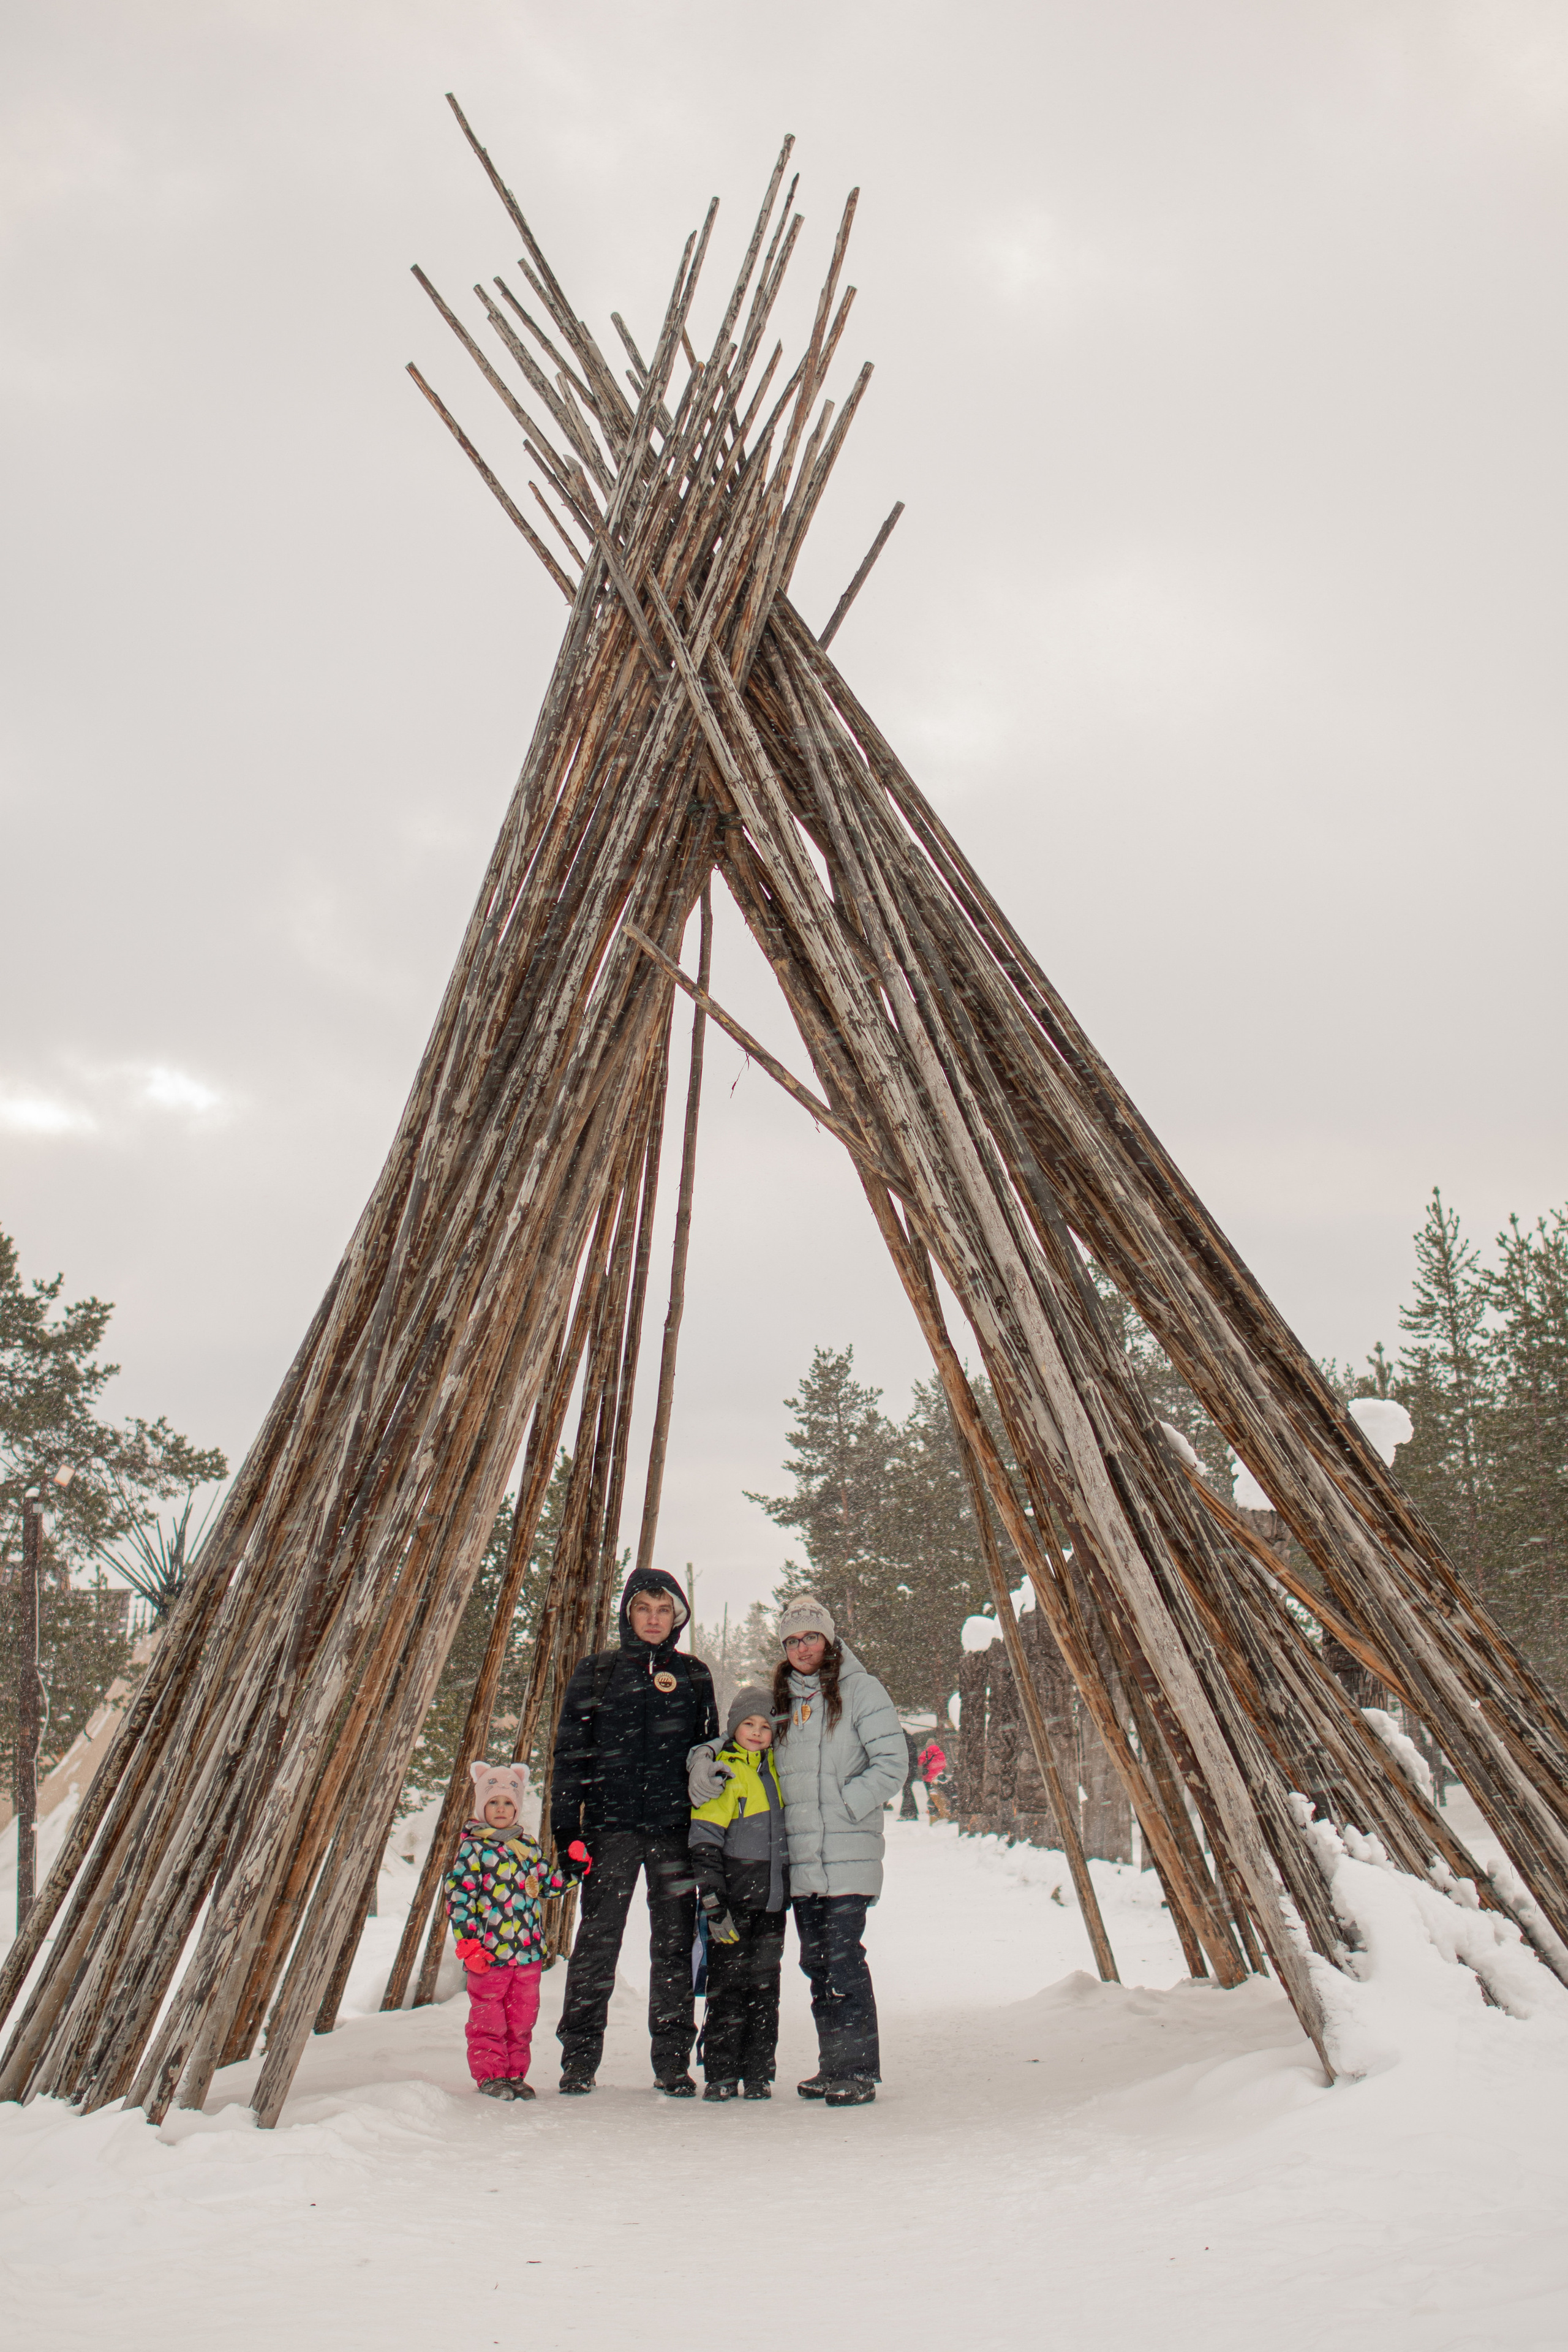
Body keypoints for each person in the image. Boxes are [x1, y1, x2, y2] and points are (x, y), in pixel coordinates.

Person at [695, 1596, 903, 2107]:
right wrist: (700, 1758)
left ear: (828, 1639)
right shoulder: (781, 1699)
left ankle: (855, 2070)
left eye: (810, 1637)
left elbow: (893, 1762)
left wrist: (845, 1804)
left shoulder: (860, 1691)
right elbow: (741, 1739)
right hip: (801, 1862)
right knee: (817, 1964)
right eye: (792, 1640)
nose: (802, 1647)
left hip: (847, 1853)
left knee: (843, 1959)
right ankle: (833, 2066)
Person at [550, 1566, 718, 2097]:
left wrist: (710, 1835)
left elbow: (709, 1758)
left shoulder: (693, 1675)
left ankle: (671, 2061)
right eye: (644, 1609)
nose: (654, 1619)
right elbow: (569, 1756)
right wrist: (565, 1831)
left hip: (674, 1833)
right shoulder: (597, 1672)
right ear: (629, 1614)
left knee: (673, 1947)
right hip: (611, 1830)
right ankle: (578, 2059)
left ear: (677, 1617)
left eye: (664, 1610)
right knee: (598, 1945)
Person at [445, 1761, 571, 2101]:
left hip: (527, 1951)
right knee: (489, 2018)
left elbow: (547, 1885)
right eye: (493, 1802)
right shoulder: (473, 1848)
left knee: (522, 2018)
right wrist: (469, 1945)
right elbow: (459, 1898)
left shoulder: (526, 1845)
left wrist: (575, 1869)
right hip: (490, 1954)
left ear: (517, 1808)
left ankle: (515, 2074)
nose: (501, 1809)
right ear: (481, 1806)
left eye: (508, 1803)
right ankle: (490, 2076)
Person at [688, 1683, 789, 2103]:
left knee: (766, 1989)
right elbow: (705, 1840)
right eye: (748, 1723)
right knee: (729, 1988)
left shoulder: (777, 1772)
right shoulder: (724, 1772)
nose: (757, 1732)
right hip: (732, 1904)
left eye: (765, 1726)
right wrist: (713, 1900)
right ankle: (722, 2071)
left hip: (772, 1904)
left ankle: (758, 2072)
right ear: (734, 1726)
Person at [918, 1735, 951, 1822]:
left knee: (931, 1793)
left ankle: (933, 1810)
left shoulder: (926, 1753)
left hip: (928, 1777)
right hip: (939, 1777)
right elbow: (944, 1764)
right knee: (939, 1793)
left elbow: (920, 1763)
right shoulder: (940, 1753)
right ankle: (941, 1808)